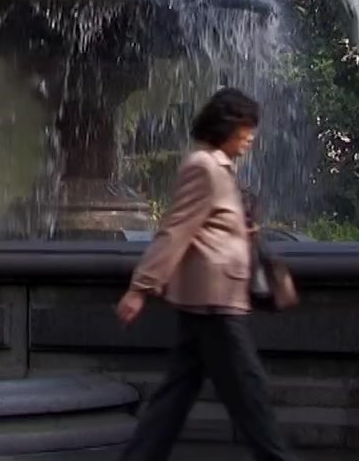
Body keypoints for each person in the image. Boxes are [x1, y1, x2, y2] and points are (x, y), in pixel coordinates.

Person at [114, 87, 297, 461]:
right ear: (226, 126)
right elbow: (176, 229)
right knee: (250, 395)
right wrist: (140, 288)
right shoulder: (204, 167)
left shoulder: (219, 167)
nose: (251, 136)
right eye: (246, 126)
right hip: (215, 303)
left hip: (209, 299)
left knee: (174, 398)